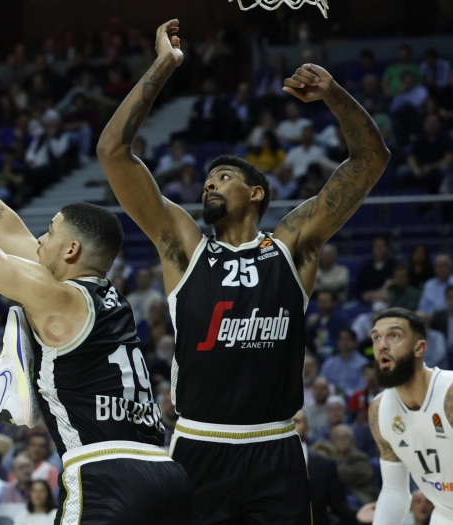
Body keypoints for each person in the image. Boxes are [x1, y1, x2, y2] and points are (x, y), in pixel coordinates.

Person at [98, 19, 391, 524]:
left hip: (275, 446)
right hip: (200, 444)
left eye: (224, 176)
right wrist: (163, 66)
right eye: (207, 180)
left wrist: (334, 95)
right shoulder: (185, 248)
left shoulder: (292, 245)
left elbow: (371, 158)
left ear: (256, 193)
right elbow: (112, 152)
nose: (209, 184)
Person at [0, 69, 192, 520]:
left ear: (71, 250)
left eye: (48, 232)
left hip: (107, 476)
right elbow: (6, 228)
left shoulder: (58, 297)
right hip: (165, 473)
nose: (39, 240)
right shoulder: (105, 298)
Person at [365, 308, 453, 523]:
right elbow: (394, 491)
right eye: (376, 337)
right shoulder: (379, 410)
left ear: (419, 348)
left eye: (394, 335)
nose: (382, 345)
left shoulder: (449, 395)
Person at [293, 410, 356, 525]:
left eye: (296, 421)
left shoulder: (325, 464)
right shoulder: (267, 463)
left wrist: (357, 514)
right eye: (286, 422)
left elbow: (339, 504)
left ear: (307, 427)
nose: (290, 426)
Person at [321, 329, 368, 395]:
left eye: (347, 339)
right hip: (331, 397)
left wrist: (347, 394)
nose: (344, 342)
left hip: (353, 398)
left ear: (355, 342)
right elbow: (322, 383)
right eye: (341, 339)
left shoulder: (363, 364)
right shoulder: (329, 363)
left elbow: (363, 387)